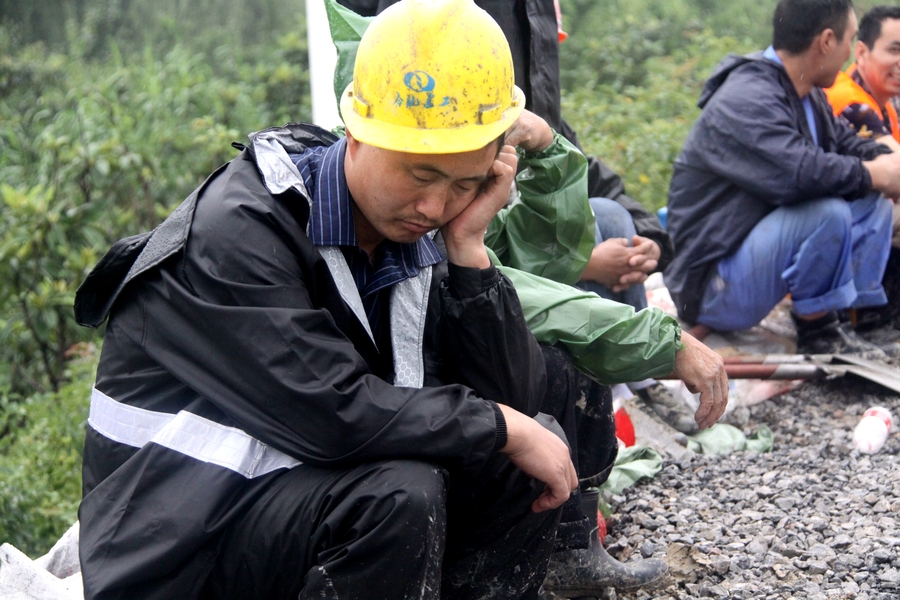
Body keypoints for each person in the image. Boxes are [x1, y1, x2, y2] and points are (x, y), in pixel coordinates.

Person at [76, 2, 728, 598]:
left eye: (464, 184)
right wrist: (504, 427)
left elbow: (509, 393)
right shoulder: (243, 229)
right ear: (357, 134)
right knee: (403, 494)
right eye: (421, 175)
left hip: (285, 494)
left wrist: (469, 254)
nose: (435, 205)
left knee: (518, 452)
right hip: (178, 539)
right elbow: (333, 412)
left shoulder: (410, 233)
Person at [665, 0, 900, 356]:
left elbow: (849, 145)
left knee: (872, 195)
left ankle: (861, 318)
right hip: (709, 284)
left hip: (749, 260)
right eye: (850, 40)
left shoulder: (805, 92)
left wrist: (887, 165)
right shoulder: (749, 97)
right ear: (826, 41)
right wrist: (874, 172)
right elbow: (799, 174)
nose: (850, 53)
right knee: (829, 211)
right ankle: (818, 330)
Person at [824, 5, 900, 335]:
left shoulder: (884, 103)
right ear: (862, 52)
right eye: (894, 50)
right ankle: (870, 319)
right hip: (834, 221)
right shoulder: (851, 102)